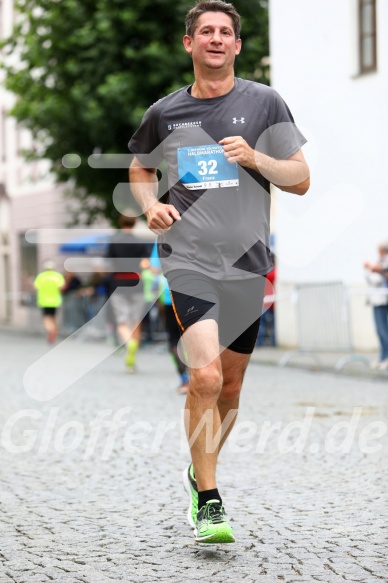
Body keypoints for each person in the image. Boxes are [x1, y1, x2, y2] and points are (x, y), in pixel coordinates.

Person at [129, 0, 310, 543]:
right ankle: (209, 499)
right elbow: (140, 167)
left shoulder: (264, 103)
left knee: (229, 388)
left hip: (247, 264)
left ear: (236, 45)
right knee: (204, 376)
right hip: (189, 259)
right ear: (189, 44)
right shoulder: (165, 112)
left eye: (224, 32)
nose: (214, 39)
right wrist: (150, 205)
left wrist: (257, 159)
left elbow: (300, 178)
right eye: (204, 31)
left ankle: (196, 470)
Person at [106, 210, 152, 372]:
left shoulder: (113, 241)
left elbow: (109, 263)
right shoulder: (141, 242)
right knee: (136, 322)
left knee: (122, 322)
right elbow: (146, 264)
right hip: (137, 283)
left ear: (121, 223)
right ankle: (131, 362)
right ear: (134, 223)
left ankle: (128, 343)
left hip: (118, 283)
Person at [364, 240, 388, 370]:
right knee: (380, 330)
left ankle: (386, 357)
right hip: (377, 299)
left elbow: (380, 277)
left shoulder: (383, 262)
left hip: (383, 298)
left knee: (384, 330)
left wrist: (374, 269)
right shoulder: (380, 261)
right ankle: (383, 356)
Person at [34, 260, 65, 343]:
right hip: (55, 300)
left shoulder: (41, 276)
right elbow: (62, 287)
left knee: (46, 318)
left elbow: (36, 287)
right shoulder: (58, 276)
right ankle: (54, 329)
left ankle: (52, 330)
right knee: (53, 317)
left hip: (44, 300)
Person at [256, 254, 276, 347]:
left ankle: (259, 343)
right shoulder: (275, 271)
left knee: (261, 324)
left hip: (264, 301)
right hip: (274, 301)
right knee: (273, 325)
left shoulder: (264, 272)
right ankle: (273, 343)